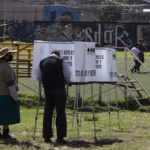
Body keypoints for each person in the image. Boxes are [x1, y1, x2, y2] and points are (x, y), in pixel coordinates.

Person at [37, 49, 71, 144]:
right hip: (59, 90)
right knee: (60, 113)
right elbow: (68, 75)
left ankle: (47, 137)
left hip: (47, 90)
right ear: (58, 54)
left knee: (47, 113)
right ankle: (60, 137)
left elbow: (38, 78)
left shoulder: (42, 62)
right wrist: (65, 82)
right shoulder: (61, 61)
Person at [0, 47, 20, 139]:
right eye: (10, 54)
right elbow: (10, 84)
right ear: (6, 56)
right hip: (5, 94)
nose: (12, 55)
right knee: (5, 114)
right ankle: (5, 133)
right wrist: (15, 95)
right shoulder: (6, 67)